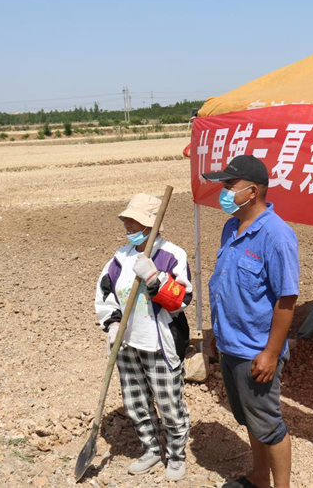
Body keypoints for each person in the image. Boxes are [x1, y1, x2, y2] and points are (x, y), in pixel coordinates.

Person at [203, 155, 300, 488]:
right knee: (249, 419)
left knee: (269, 425)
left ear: (253, 190)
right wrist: (218, 334)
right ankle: (259, 478)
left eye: (230, 186)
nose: (224, 192)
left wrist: (271, 353)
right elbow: (226, 285)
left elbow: (286, 299)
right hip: (231, 345)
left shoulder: (277, 236)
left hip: (255, 351)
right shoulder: (232, 226)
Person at [94, 193, 192, 482]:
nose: (127, 226)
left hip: (159, 342)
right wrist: (112, 324)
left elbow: (182, 299)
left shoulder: (172, 255)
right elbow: (105, 293)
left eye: (133, 222)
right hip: (127, 343)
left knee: (169, 403)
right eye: (126, 222)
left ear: (151, 225)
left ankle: (176, 456)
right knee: (136, 402)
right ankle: (150, 449)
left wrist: (155, 279)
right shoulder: (120, 257)